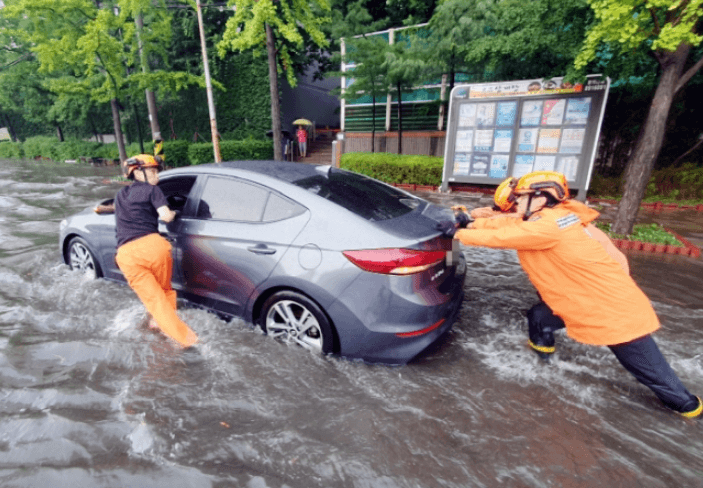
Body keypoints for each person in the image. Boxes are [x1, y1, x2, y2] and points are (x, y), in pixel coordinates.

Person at [441, 171, 701, 418]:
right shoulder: (552, 217)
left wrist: (459, 233)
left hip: (611, 309)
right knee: (540, 317)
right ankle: (544, 361)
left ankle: (690, 410)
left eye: (520, 197)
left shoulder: (547, 227)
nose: (517, 202)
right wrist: (472, 222)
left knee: (657, 378)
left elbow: (505, 236)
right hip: (580, 299)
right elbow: (508, 222)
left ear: (540, 198)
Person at [114, 154, 199, 348]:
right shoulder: (153, 191)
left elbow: (119, 223)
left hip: (126, 253)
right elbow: (166, 217)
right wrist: (176, 212)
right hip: (153, 247)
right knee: (163, 293)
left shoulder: (120, 195)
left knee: (155, 298)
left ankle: (160, 325)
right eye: (152, 171)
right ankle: (189, 341)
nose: (157, 177)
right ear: (137, 172)